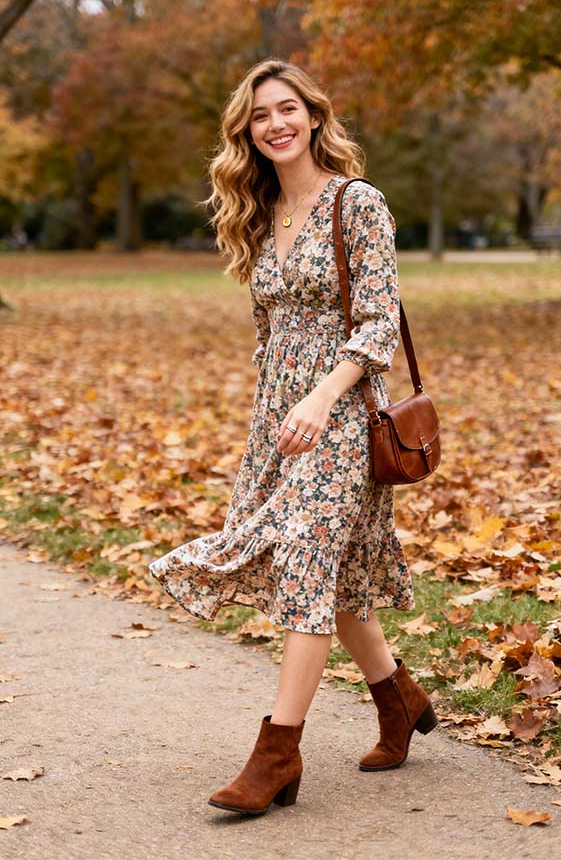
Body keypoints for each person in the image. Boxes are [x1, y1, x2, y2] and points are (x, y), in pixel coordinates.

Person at [148, 58, 438, 816]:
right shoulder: (260, 209)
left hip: (342, 408)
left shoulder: (358, 203)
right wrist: (277, 407)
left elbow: (378, 321)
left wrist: (320, 395)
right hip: (283, 416)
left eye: (287, 109)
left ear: (313, 116)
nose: (274, 124)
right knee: (333, 575)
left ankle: (277, 752)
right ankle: (399, 699)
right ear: (246, 131)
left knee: (305, 564)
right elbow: (268, 324)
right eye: (259, 115)